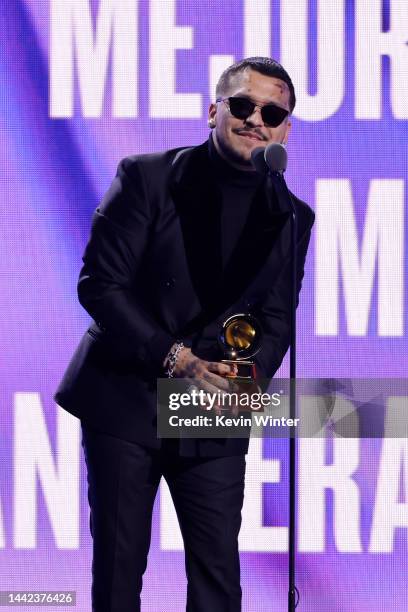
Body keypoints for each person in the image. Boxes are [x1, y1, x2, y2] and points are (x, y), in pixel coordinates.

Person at [54, 57, 315, 612]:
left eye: (272, 112)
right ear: (213, 111)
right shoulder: (147, 176)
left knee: (218, 573)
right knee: (120, 571)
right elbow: (100, 285)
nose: (255, 120)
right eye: (242, 105)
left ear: (286, 129)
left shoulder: (293, 215)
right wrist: (179, 360)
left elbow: (277, 318)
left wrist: (244, 381)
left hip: (210, 409)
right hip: (126, 397)